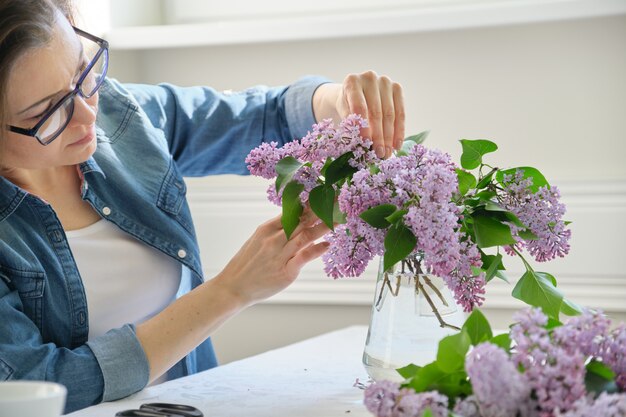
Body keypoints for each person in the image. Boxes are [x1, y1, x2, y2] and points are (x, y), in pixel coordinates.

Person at [0, 0, 406, 412]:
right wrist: (230, 291)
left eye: (83, 73)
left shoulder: (122, 116)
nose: (88, 115)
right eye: (48, 112)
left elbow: (265, 117)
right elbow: (43, 381)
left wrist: (340, 103)